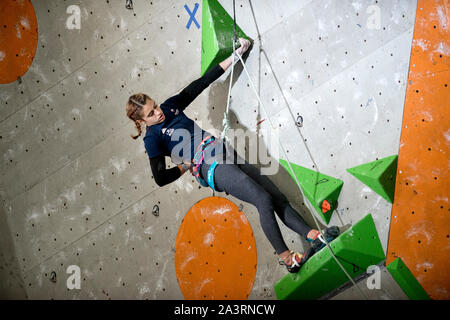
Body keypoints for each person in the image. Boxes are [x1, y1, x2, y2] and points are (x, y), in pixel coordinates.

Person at [125, 38, 340, 273]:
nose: (158, 112)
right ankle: (288, 259)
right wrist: (184, 167)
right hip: (211, 167)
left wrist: (236, 55)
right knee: (262, 200)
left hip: (223, 150)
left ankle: (313, 236)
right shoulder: (151, 139)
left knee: (274, 194)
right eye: (151, 113)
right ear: (140, 121)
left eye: (155, 106)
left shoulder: (169, 107)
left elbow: (200, 84)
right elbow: (160, 178)